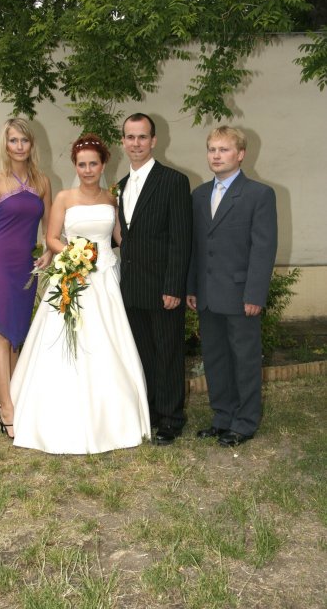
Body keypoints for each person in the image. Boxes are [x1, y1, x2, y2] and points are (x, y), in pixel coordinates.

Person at [11, 133, 151, 454]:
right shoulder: (64, 198)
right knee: (63, 342)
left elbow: (120, 237)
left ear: (103, 165)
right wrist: (75, 255)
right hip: (73, 274)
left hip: (106, 279)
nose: (88, 170)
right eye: (82, 164)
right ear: (75, 166)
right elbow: (52, 238)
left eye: (93, 164)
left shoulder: (112, 199)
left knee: (108, 342)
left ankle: (115, 419)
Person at [186, 126, 277, 447]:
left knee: (245, 360)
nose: (216, 155)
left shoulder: (259, 194)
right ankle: (222, 417)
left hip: (241, 295)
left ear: (240, 154)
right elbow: (195, 246)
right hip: (208, 295)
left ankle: (245, 422)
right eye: (212, 149)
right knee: (215, 359)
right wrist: (191, 287)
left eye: (224, 149)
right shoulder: (199, 195)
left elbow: (263, 248)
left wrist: (255, 294)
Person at [0, 118, 52, 439]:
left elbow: (49, 227)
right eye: (13, 140)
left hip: (26, 268)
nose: (19, 146)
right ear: (5, 145)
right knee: (1, 335)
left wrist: (48, 252)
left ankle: (16, 398)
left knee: (18, 335)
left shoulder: (43, 182)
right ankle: (6, 408)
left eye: (24, 140)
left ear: (31, 144)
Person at [118, 113, 192, 446]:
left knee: (168, 354)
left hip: (163, 287)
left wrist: (174, 286)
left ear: (154, 141)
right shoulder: (120, 186)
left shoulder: (174, 181)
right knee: (143, 355)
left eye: (142, 137)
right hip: (131, 288)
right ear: (123, 141)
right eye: (130, 137)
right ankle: (150, 412)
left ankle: (172, 419)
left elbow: (181, 239)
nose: (136, 143)